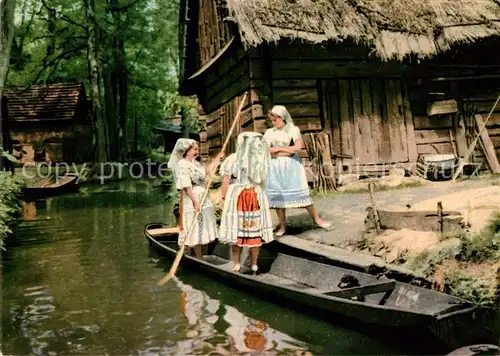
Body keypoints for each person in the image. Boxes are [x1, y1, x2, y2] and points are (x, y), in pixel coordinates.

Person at [263, 105, 331, 236]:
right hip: (275, 165)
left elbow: (298, 147)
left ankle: (317, 219)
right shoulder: (269, 132)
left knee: (301, 194)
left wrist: (278, 149)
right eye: (271, 120)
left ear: (282, 118)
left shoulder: (293, 130)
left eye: (275, 119)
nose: (273, 122)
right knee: (278, 196)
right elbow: (266, 149)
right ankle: (282, 226)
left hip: (291, 165)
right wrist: (281, 150)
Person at [219, 132, 274, 273]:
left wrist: (223, 198)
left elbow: (225, 182)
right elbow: (263, 181)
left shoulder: (232, 159)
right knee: (253, 229)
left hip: (238, 196)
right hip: (254, 195)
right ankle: (254, 263)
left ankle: (236, 263)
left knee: (238, 230)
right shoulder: (259, 161)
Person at [167, 138, 221, 258]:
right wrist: (195, 202)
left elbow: (206, 173)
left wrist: (217, 159)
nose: (198, 151)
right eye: (195, 149)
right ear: (187, 150)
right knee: (194, 227)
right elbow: (186, 186)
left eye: (198, 149)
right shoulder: (182, 165)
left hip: (203, 198)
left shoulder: (196, 163)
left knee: (203, 226)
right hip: (192, 199)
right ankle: (196, 256)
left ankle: (201, 254)